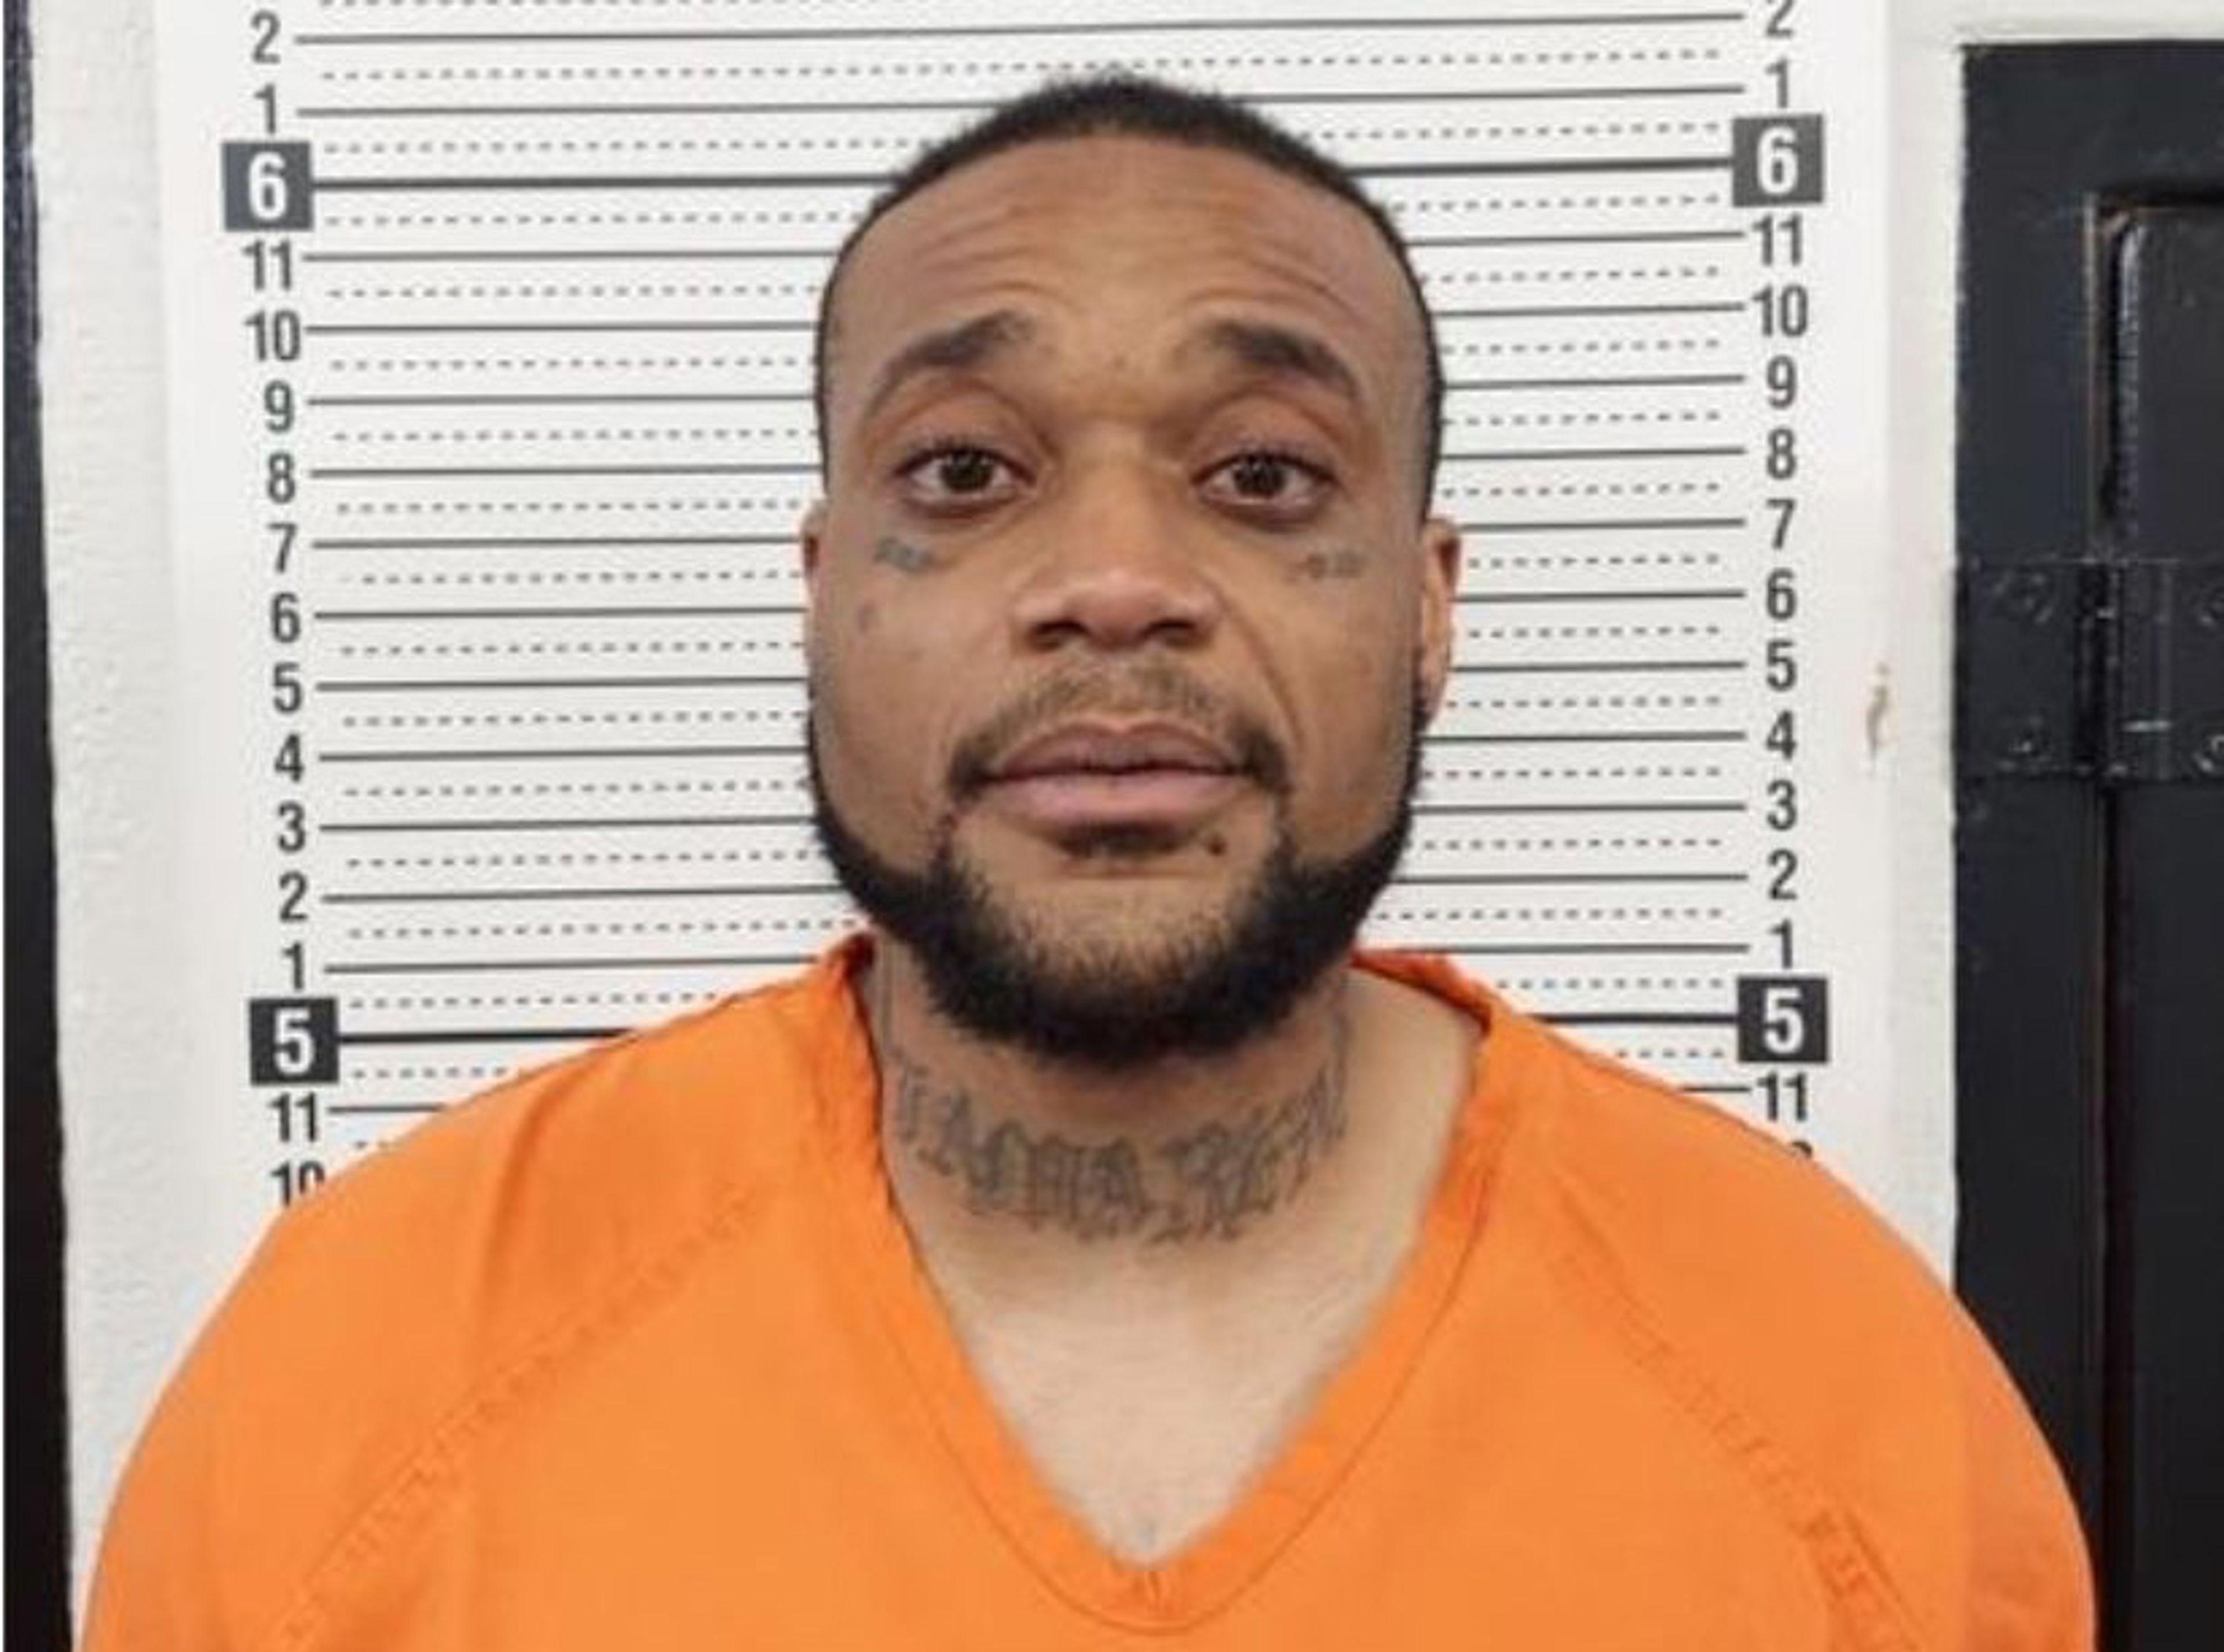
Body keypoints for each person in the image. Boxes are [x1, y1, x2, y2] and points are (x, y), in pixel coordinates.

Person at [82, 74, 2092, 1650]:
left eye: (1263, 474)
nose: (1117, 580)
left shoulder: (1846, 1399)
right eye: (966, 470)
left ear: (1428, 607)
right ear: (822, 594)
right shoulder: (356, 1375)